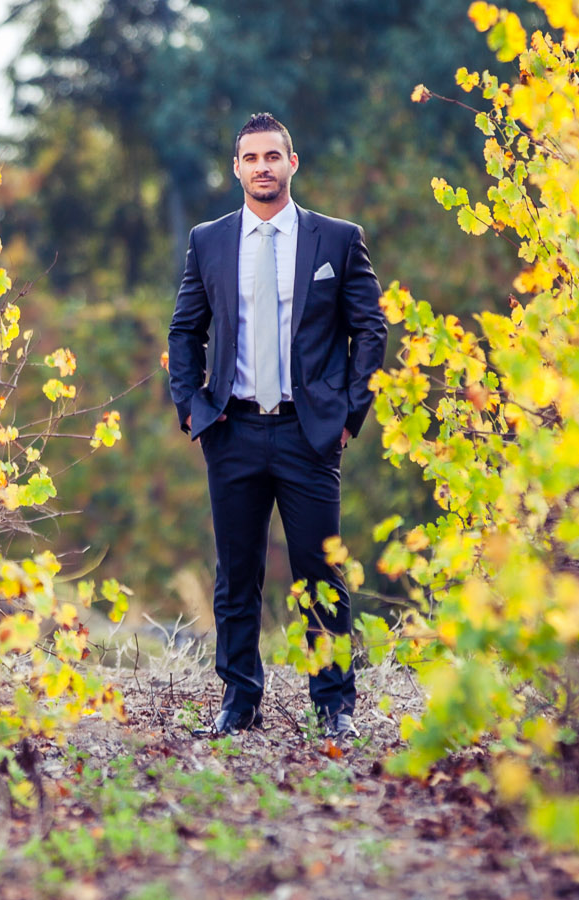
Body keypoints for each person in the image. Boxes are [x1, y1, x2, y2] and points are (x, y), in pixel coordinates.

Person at [167, 112, 387, 739]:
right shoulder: (208, 240)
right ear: (236, 168)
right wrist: (192, 408)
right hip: (231, 429)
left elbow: (369, 329)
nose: (262, 167)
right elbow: (186, 330)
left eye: (273, 156)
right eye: (251, 158)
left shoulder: (337, 240)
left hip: (309, 433)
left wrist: (349, 415)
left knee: (322, 573)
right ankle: (239, 702)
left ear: (294, 163)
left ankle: (334, 706)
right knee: (236, 575)